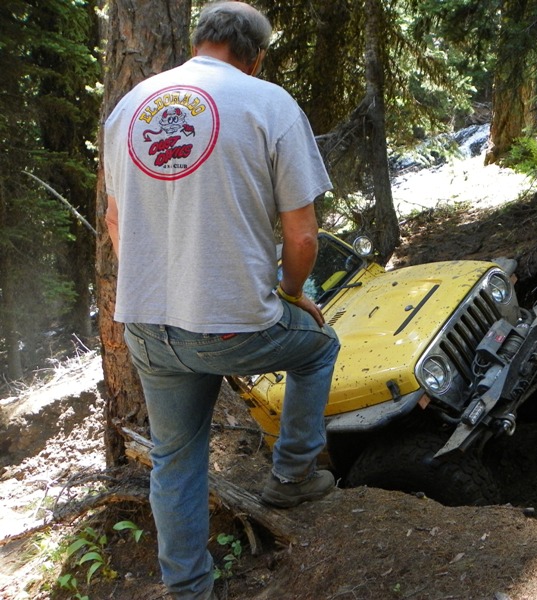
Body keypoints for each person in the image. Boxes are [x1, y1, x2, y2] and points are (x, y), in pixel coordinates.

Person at [103, 2, 340, 598]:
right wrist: (292, 294)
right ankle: (291, 474)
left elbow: (113, 220)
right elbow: (303, 235)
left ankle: (188, 591)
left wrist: (162, 281)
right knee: (317, 347)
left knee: (175, 460)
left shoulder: (128, 109)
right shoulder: (268, 102)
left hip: (149, 324)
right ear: (255, 55)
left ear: (199, 40)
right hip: (232, 323)